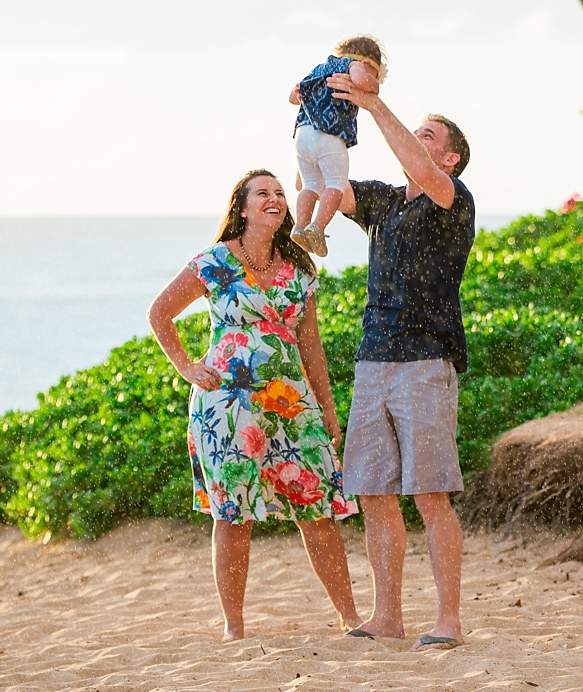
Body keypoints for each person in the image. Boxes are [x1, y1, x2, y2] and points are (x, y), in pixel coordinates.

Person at [148, 169, 361, 641]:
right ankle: (235, 628)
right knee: (233, 514)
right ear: (242, 208)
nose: (276, 198)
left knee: (318, 507)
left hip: (292, 404)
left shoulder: (299, 268)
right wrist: (186, 366)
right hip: (229, 406)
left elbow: (312, 347)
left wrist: (326, 407)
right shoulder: (215, 261)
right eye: (263, 193)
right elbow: (159, 312)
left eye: (281, 193)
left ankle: (350, 616)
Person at [325, 69, 474, 653]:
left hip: (425, 363)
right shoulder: (385, 203)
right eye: (419, 133)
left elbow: (420, 169)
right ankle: (388, 616)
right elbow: (325, 180)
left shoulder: (451, 198)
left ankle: (449, 621)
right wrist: (322, 113)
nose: (418, 139)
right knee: (373, 493)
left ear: (453, 158)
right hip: (372, 362)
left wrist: (374, 102)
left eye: (430, 135)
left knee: (429, 495)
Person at [287, 35, 385, 258]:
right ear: (368, 63)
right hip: (329, 133)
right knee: (336, 183)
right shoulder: (354, 65)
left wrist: (296, 95)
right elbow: (362, 80)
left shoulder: (319, 68)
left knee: (309, 184)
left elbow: (294, 96)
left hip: (302, 134)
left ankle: (300, 225)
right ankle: (318, 228)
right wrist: (373, 86)